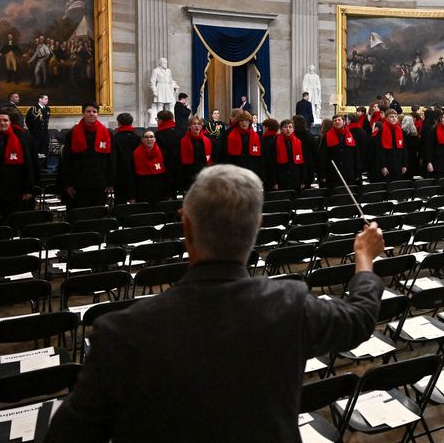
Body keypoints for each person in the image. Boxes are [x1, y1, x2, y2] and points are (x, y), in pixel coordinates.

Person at [44, 164, 384, 443]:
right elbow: (360, 317)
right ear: (257, 227)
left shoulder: (120, 332)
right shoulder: (289, 304)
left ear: (185, 224)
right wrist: (364, 258)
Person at [59, 103, 115, 208]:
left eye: (94, 112)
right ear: (83, 113)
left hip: (100, 183)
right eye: (88, 111)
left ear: (98, 114)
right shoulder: (72, 133)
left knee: (97, 216)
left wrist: (111, 182)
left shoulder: (107, 133)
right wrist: (67, 184)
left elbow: (111, 159)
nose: (91, 114)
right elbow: (66, 160)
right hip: (78, 184)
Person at [128, 130, 171, 205]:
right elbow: (131, 176)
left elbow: (168, 175)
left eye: (151, 137)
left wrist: (169, 194)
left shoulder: (163, 153)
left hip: (160, 190)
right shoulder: (134, 154)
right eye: (146, 137)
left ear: (155, 139)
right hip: (142, 191)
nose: (149, 139)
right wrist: (132, 197)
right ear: (142, 139)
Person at [219, 111, 263, 181]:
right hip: (234, 171)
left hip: (251, 171)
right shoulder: (228, 134)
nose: (244, 123)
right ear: (238, 122)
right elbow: (222, 154)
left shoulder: (256, 136)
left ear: (250, 122)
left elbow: (259, 158)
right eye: (241, 120)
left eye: (246, 120)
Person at [320, 115, 360, 190]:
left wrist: (357, 173)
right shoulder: (326, 136)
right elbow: (323, 156)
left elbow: (356, 155)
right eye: (335, 121)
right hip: (333, 173)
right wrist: (323, 175)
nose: (337, 122)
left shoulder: (351, 136)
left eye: (339, 120)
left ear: (344, 122)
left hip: (349, 172)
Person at [269, 119, 305, 192]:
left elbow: (302, 163)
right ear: (281, 129)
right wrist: (274, 181)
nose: (288, 129)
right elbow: (271, 163)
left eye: (290, 127)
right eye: (285, 127)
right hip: (281, 178)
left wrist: (303, 180)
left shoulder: (298, 142)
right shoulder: (275, 142)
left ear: (293, 129)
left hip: (295, 178)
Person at [371, 109, 407, 181]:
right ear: (386, 118)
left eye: (395, 116)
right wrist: (383, 166)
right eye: (391, 117)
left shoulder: (401, 131)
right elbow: (379, 151)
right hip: (387, 164)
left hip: (398, 164)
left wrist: (404, 165)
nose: (394, 118)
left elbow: (404, 149)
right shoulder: (381, 131)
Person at [180, 115, 215, 191]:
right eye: (194, 124)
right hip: (189, 173)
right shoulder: (183, 141)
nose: (197, 126)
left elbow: (209, 159)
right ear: (189, 126)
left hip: (203, 172)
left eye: (199, 124)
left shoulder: (207, 140)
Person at [112, 113, 141, 203]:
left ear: (119, 123)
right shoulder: (137, 138)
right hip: (135, 172)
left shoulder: (115, 138)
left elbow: (113, 158)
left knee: (120, 200)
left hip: (120, 173)